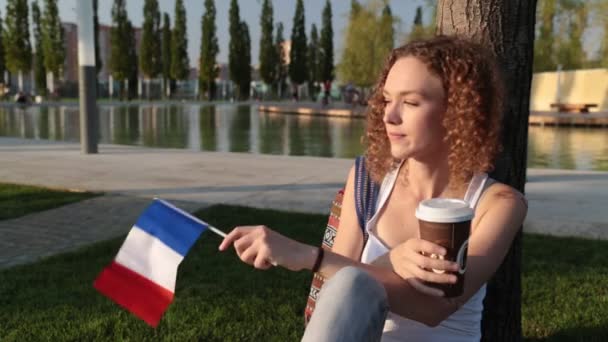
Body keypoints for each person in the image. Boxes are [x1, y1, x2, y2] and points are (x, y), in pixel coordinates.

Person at [219, 35, 528, 341]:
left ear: (459, 112)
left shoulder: (498, 204)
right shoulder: (369, 179)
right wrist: (389, 262)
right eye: (387, 100)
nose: (389, 116)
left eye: (410, 102)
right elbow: (337, 294)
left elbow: (435, 307)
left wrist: (307, 256)